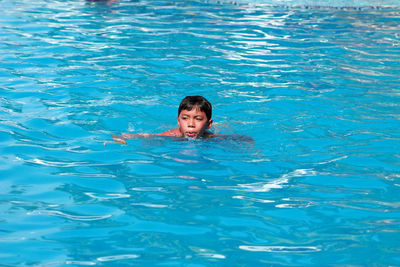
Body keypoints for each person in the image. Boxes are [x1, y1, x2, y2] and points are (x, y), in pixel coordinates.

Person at [111, 96, 215, 144]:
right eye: (185, 118)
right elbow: (146, 136)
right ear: (178, 121)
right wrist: (123, 137)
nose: (191, 124)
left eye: (198, 119)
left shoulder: (210, 137)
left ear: (208, 124)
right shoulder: (172, 135)